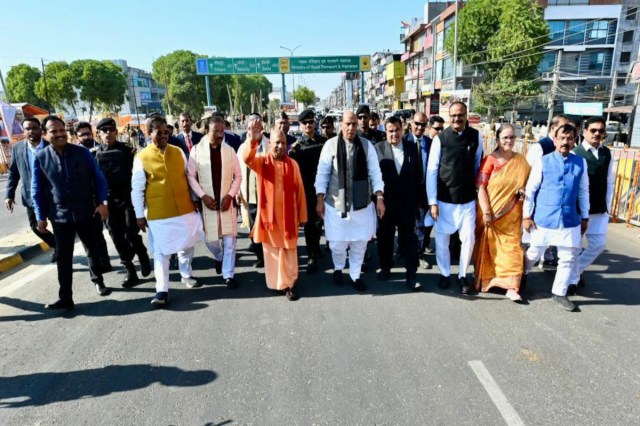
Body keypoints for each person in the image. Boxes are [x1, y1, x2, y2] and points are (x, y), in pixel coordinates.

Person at [31, 116, 112, 310]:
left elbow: (99, 179)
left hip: (86, 211)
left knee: (92, 250)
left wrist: (102, 203)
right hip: (60, 217)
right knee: (63, 257)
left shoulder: (82, 153)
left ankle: (98, 281)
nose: (59, 134)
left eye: (61, 130)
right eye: (54, 131)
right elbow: (37, 190)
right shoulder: (40, 158)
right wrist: (40, 216)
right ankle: (65, 297)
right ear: (45, 134)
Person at [131, 116, 204, 306]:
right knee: (161, 253)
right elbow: (137, 189)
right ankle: (162, 290)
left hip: (185, 208)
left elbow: (189, 178)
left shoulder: (178, 151)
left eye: (166, 132)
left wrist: (195, 200)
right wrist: (139, 216)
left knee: (187, 245)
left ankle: (186, 275)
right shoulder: (141, 157)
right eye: (159, 132)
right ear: (149, 133)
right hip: (159, 214)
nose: (164, 135)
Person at [315, 111, 385, 291]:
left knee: (359, 243)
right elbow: (322, 174)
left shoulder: (367, 145)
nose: (351, 128)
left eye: (354, 124)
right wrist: (320, 199)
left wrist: (379, 197)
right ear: (341, 124)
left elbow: (375, 173)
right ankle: (338, 267)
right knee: (337, 244)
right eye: (348, 124)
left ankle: (355, 274)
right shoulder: (330, 145)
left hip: (361, 205)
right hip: (335, 204)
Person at [522, 124, 589, 312]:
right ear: (556, 139)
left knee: (568, 256)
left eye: (570, 139)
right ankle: (523, 273)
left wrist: (584, 216)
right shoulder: (543, 161)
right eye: (562, 138)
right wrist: (526, 215)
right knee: (534, 252)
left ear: (575, 140)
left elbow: (583, 191)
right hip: (544, 217)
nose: (566, 142)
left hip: (569, 219)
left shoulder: (580, 163)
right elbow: (531, 190)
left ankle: (559, 293)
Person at [242, 128, 307, 300]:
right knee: (272, 252)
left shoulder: (293, 164)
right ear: (269, 144)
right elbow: (247, 159)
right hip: (269, 218)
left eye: (283, 143)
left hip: (288, 218)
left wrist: (302, 216)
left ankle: (290, 284)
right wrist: (253, 141)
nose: (280, 146)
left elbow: (300, 191)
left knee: (288, 252)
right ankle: (277, 283)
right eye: (276, 142)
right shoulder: (262, 162)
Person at [427, 101, 483, 294]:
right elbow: (432, 171)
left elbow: (477, 165)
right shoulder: (440, 139)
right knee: (442, 239)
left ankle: (461, 274)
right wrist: (432, 202)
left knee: (468, 238)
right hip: (444, 200)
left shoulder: (476, 136)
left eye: (460, 115)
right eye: (453, 115)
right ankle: (444, 273)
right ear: (448, 116)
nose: (456, 119)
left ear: (466, 115)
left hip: (467, 200)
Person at [473, 124, 531, 302]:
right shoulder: (490, 160)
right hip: (491, 215)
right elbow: (480, 187)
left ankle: (512, 287)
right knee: (493, 251)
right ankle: (490, 281)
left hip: (511, 216)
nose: (509, 141)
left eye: (512, 137)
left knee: (512, 250)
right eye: (505, 137)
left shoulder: (521, 161)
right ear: (497, 139)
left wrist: (522, 191)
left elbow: (526, 184)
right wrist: (487, 212)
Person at [94, 117, 151, 287]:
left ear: (116, 132)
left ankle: (142, 254)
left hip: (127, 199)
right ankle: (130, 271)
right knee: (116, 236)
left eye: (111, 130)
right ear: (99, 134)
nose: (108, 133)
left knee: (131, 233)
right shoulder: (95, 155)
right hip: (108, 201)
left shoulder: (128, 151)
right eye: (104, 131)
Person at [187, 115, 242, 289]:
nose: (220, 134)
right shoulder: (196, 150)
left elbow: (238, 176)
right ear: (206, 131)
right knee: (210, 240)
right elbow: (190, 175)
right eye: (215, 131)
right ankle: (219, 257)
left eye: (222, 130)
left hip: (227, 203)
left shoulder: (229, 150)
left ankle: (228, 275)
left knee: (230, 241)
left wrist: (230, 195)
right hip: (207, 203)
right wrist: (202, 195)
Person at [375, 116, 424, 290]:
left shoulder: (412, 148)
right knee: (385, 237)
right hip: (386, 204)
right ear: (385, 132)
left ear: (402, 130)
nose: (394, 134)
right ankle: (386, 267)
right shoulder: (378, 149)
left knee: (409, 240)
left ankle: (411, 274)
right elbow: (374, 177)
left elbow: (419, 176)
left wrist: (419, 201)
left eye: (397, 130)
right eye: (390, 131)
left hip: (407, 204)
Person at [568, 117, 613, 292]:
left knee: (598, 244)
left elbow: (609, 181)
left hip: (599, 209)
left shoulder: (607, 153)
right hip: (579, 209)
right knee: (575, 247)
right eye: (593, 130)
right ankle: (571, 281)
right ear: (584, 132)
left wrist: (607, 205)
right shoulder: (574, 153)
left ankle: (576, 270)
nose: (597, 134)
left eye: (601, 131)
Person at [4, 117, 57, 263]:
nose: (31, 131)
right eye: (28, 128)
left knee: (58, 226)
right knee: (36, 227)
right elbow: (14, 173)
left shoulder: (51, 146)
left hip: (53, 196)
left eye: (34, 128)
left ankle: (62, 250)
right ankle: (56, 246)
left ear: (40, 129)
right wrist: (9, 195)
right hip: (31, 196)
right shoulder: (18, 148)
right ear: (23, 131)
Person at [289, 109, 326, 274]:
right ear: (300, 125)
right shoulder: (296, 148)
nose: (308, 125)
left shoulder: (324, 142)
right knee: (311, 223)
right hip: (307, 190)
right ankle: (311, 254)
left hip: (324, 188)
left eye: (311, 122)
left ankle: (317, 247)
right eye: (305, 123)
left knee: (322, 222)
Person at [405, 112, 440, 268]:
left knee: (421, 226)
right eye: (417, 124)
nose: (419, 127)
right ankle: (405, 249)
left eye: (423, 125)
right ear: (411, 123)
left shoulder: (431, 143)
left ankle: (418, 255)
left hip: (424, 193)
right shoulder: (403, 141)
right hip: (406, 192)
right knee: (406, 225)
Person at [238, 114, 269, 267]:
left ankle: (269, 257)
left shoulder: (270, 145)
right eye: (251, 128)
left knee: (268, 228)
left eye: (257, 128)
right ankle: (260, 257)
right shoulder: (242, 148)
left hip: (268, 197)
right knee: (254, 229)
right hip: (250, 196)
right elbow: (237, 172)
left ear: (262, 129)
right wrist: (238, 192)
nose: (253, 131)